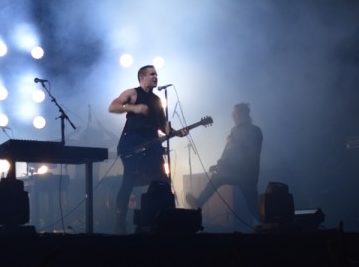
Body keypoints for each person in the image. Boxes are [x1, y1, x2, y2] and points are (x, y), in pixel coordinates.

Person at [108, 65, 170, 234]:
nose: (156, 76)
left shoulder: (157, 100)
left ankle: (157, 220)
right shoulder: (133, 93)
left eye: (156, 74)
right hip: (132, 145)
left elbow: (164, 127)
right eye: (152, 74)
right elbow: (113, 106)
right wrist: (133, 108)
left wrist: (176, 132)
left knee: (162, 180)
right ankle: (120, 221)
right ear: (142, 77)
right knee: (129, 182)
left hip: (152, 145)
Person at [185, 102, 263, 223]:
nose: (233, 117)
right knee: (218, 178)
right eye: (233, 115)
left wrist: (233, 143)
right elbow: (228, 153)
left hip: (247, 174)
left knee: (253, 207)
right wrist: (219, 164)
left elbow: (249, 154)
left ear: (244, 114)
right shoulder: (234, 130)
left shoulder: (254, 131)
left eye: (236, 114)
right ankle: (199, 202)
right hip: (237, 172)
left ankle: (271, 225)